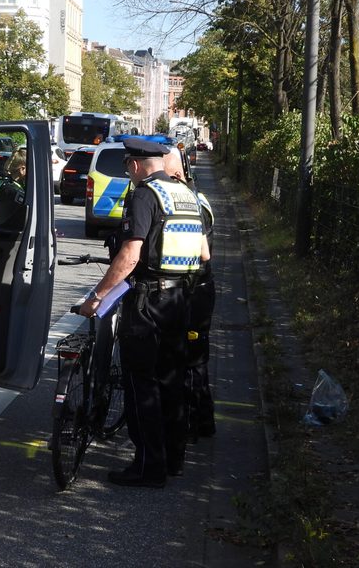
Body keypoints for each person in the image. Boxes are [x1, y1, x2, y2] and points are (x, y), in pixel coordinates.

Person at [80, 138, 209, 487]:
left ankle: (147, 467)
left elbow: (130, 255)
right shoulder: (186, 195)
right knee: (172, 380)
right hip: (180, 301)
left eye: (127, 167)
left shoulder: (144, 195)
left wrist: (97, 296)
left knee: (142, 384)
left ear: (135, 165)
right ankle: (172, 459)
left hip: (148, 303)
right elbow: (202, 254)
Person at [164, 149, 217, 440]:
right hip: (200, 288)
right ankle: (201, 421)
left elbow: (201, 253)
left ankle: (194, 422)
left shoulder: (187, 202)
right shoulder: (198, 197)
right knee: (196, 357)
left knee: (191, 357)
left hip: (193, 290)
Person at [0, 148, 26, 228]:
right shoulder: (13, 190)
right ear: (22, 169)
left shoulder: (4, 183)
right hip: (11, 232)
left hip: (1, 228)